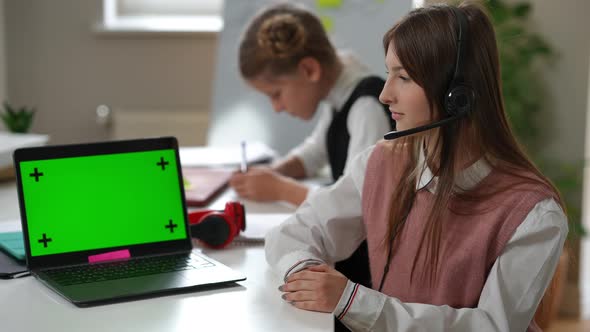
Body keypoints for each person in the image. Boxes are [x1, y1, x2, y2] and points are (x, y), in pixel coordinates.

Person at [265, 3, 568, 331]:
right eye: (388, 74)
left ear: (457, 96)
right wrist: (306, 276)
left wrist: (353, 301)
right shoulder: (381, 163)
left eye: (404, 77)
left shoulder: (534, 214)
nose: (384, 95)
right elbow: (291, 234)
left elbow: (492, 327)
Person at [229, 3, 395, 207]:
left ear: (309, 70)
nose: (277, 107)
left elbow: (355, 204)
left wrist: (280, 189)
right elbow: (314, 154)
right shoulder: (336, 91)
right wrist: (273, 173)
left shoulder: (366, 108)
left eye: (276, 94)